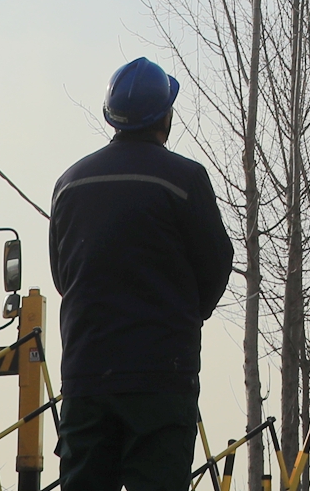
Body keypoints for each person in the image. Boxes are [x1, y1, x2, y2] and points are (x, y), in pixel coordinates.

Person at [51, 57, 235, 491]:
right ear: (165, 116)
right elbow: (216, 265)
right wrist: (183, 313)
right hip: (161, 378)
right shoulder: (185, 180)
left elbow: (64, 276)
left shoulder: (69, 184)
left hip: (86, 375)